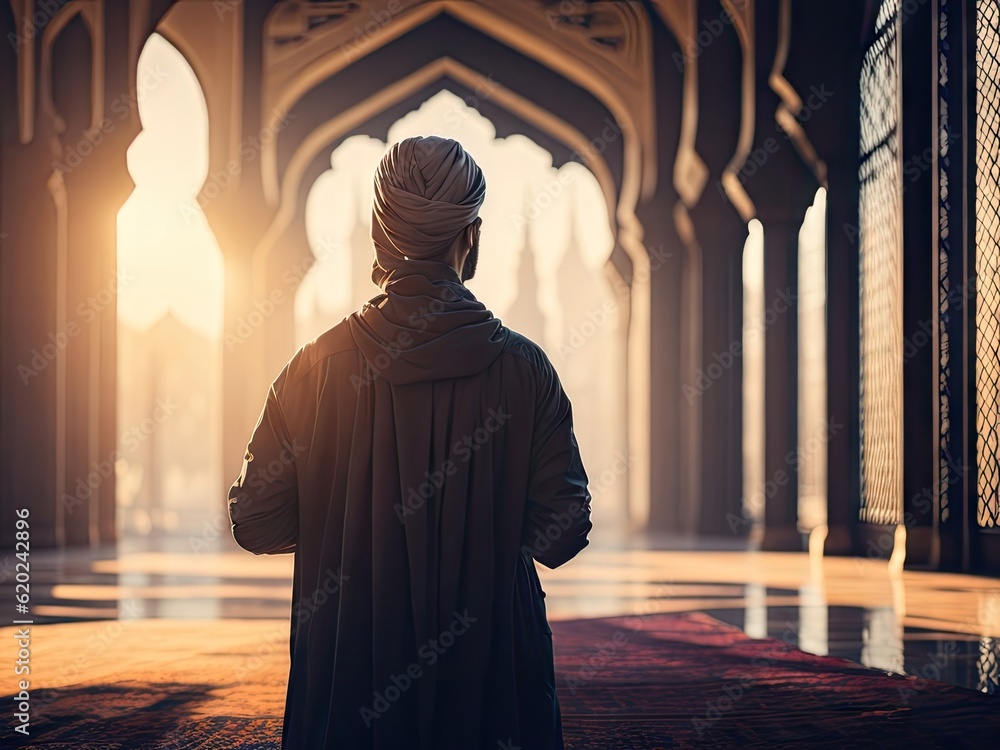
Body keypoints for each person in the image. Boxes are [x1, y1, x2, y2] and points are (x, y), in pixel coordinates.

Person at [228, 135, 592, 750]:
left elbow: (256, 522)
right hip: (492, 686)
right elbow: (562, 532)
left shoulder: (313, 369)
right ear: (471, 237)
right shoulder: (527, 371)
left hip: (349, 684)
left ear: (378, 234)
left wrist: (342, 525)